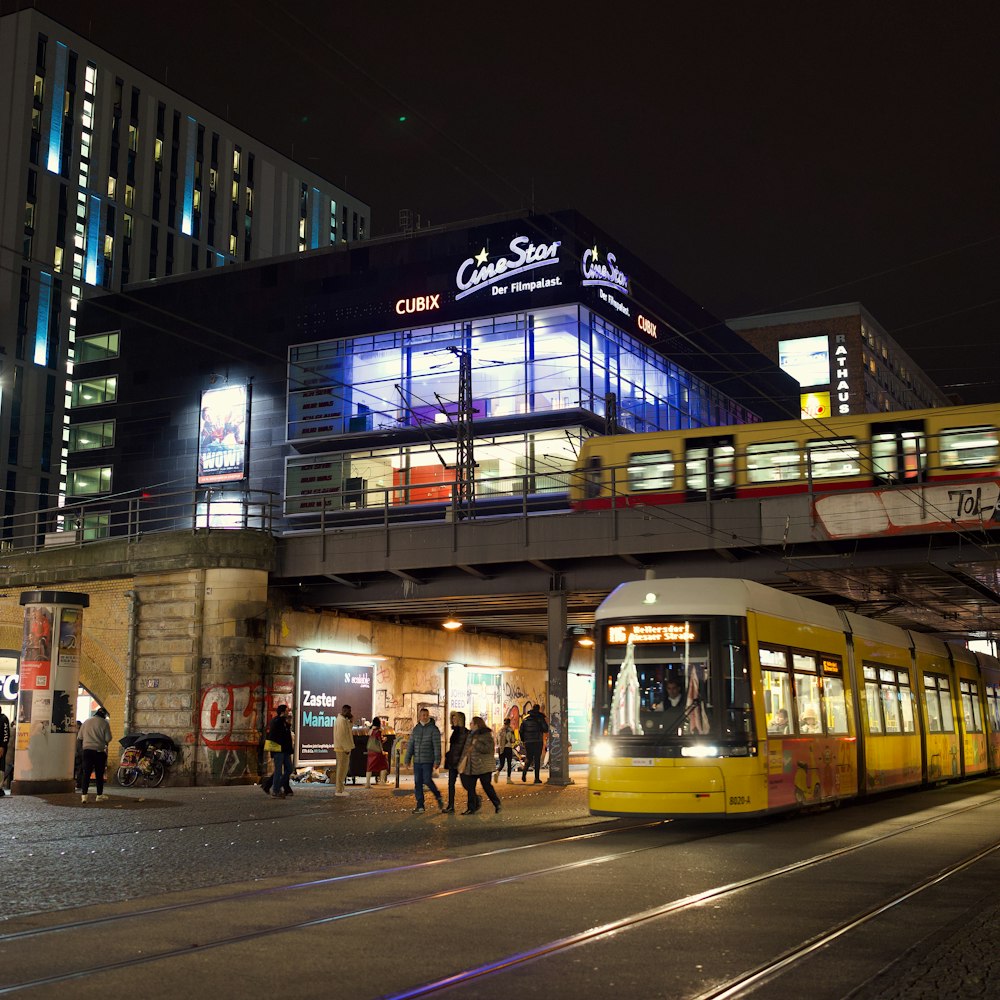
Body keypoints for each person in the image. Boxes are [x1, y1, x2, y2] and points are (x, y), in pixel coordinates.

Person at [404, 708, 444, 813]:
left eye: (426, 715)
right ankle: (420, 805)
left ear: (428, 716)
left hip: (428, 760)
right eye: (423, 715)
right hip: (417, 760)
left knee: (427, 780)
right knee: (418, 782)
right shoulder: (416, 729)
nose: (425, 717)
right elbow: (411, 745)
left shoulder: (433, 729)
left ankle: (438, 795)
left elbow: (437, 746)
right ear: (419, 716)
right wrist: (407, 759)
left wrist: (437, 760)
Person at [458, 716, 502, 814]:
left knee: (486, 786)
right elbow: (466, 750)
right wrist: (462, 762)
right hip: (472, 766)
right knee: (470, 787)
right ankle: (471, 808)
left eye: (471, 723)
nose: (470, 725)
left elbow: (488, 749)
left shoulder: (486, 734)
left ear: (476, 725)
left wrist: (476, 743)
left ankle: (497, 804)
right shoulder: (470, 735)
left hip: (483, 766)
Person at [78, 707, 112, 803]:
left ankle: (84, 796)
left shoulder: (86, 722)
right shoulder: (104, 723)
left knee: (86, 773)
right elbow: (108, 738)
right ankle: (99, 795)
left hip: (87, 751)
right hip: (98, 752)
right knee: (99, 774)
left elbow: (80, 736)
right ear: (104, 716)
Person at [442, 711, 470, 812]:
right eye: (452, 718)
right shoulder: (455, 732)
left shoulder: (464, 732)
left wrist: (462, 760)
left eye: (455, 718)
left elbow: (465, 748)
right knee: (451, 784)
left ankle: (474, 801)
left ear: (460, 720)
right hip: (453, 762)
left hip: (461, 762)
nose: (453, 720)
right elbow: (454, 747)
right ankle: (451, 806)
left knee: (466, 784)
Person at [266, 704, 294, 798]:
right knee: (278, 770)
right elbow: (278, 735)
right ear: (282, 712)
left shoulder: (284, 722)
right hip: (278, 749)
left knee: (289, 768)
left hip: (285, 750)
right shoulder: (277, 721)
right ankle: (276, 790)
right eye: (287, 711)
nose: (288, 712)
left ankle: (277, 786)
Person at [518, 705, 549, 784]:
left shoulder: (525, 719)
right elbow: (546, 729)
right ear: (538, 709)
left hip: (528, 742)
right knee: (537, 759)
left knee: (529, 757)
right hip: (538, 741)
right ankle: (536, 778)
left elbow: (521, 731)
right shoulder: (540, 718)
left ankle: (524, 773)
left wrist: (524, 740)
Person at [333, 703, 355, 796]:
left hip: (342, 748)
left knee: (343, 769)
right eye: (349, 711)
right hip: (342, 749)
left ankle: (341, 788)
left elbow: (348, 728)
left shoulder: (342, 720)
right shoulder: (341, 721)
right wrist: (346, 748)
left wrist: (351, 720)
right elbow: (342, 736)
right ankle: (339, 790)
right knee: (342, 769)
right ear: (345, 711)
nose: (350, 713)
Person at [365, 716, 389, 787]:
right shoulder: (378, 731)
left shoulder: (370, 730)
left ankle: (367, 783)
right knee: (384, 765)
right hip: (377, 751)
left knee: (369, 767)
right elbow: (379, 741)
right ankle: (382, 781)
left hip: (370, 750)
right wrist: (384, 739)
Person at [496, 717, 517, 783]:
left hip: (500, 748)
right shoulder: (510, 730)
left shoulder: (499, 730)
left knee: (501, 764)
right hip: (508, 748)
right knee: (509, 764)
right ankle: (508, 779)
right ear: (509, 722)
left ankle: (497, 773)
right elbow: (513, 740)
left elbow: (496, 741)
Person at [0, 711, 9, 797]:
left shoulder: (3, 719)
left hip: (1, 748)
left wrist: (2, 746)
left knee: (0, 768)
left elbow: (6, 734)